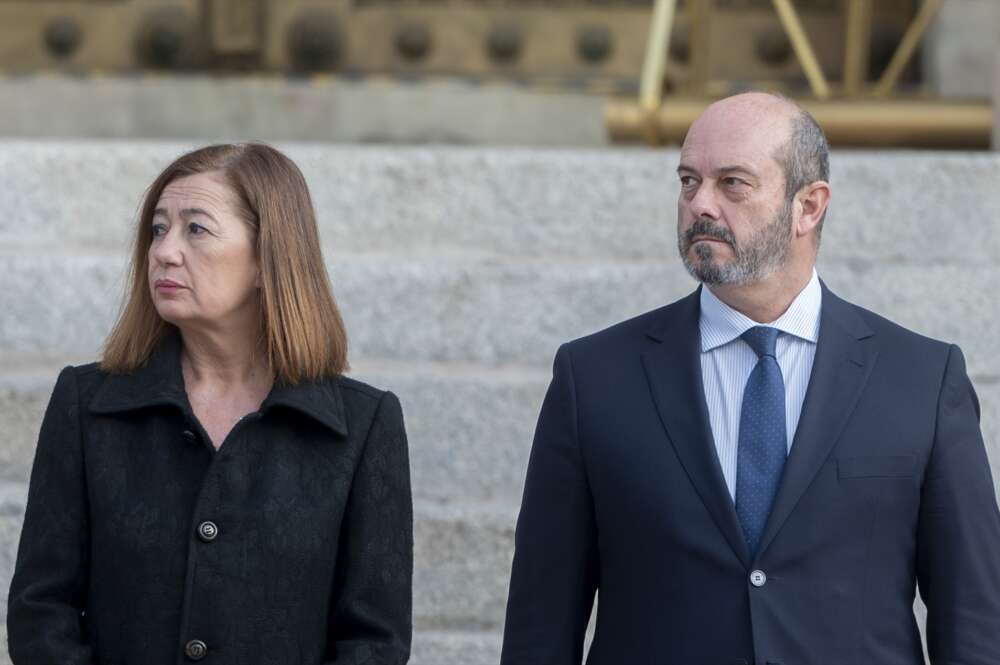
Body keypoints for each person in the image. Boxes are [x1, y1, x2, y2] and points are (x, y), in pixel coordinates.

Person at [501, 92, 1000, 664]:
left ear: (808, 206)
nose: (700, 205)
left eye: (732, 183)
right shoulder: (592, 377)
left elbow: (975, 618)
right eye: (689, 181)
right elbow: (540, 623)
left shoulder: (922, 379)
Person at [7, 143, 413, 665]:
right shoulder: (89, 406)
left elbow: (375, 640)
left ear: (269, 260)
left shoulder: (361, 427)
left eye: (195, 229)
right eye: (158, 228)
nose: (164, 251)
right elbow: (41, 610)